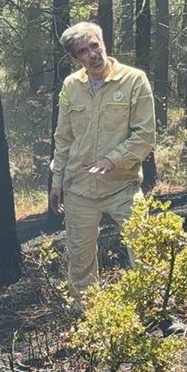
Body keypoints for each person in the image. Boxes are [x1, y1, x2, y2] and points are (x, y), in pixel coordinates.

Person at [49, 22, 157, 312]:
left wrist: (113, 159)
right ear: (74, 59)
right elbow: (63, 137)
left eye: (94, 45)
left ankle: (154, 312)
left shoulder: (134, 80)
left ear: (102, 41)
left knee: (144, 247)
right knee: (80, 259)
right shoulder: (71, 86)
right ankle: (87, 319)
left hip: (122, 184)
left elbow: (145, 135)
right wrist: (57, 181)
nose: (92, 54)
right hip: (79, 187)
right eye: (83, 51)